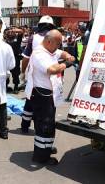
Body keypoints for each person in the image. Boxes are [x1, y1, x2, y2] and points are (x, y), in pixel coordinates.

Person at [27, 29, 74, 165]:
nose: (58, 47)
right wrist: (66, 64)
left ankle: (45, 148)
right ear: (49, 41)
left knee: (47, 123)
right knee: (45, 125)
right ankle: (41, 157)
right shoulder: (39, 54)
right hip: (41, 94)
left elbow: (61, 53)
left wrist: (68, 55)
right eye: (57, 44)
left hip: (48, 94)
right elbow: (52, 70)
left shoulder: (50, 50)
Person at [20, 15, 55, 133]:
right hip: (50, 76)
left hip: (34, 76)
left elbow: (25, 58)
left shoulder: (33, 38)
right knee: (46, 105)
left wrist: (23, 72)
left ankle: (25, 125)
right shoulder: (57, 39)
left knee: (30, 99)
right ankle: (41, 128)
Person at [4, 27, 24, 94]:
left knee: (15, 74)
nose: (10, 33)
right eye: (8, 33)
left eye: (11, 32)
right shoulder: (4, 42)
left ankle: (16, 87)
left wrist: (13, 30)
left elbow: (21, 32)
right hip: (6, 59)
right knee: (6, 74)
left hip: (15, 59)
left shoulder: (17, 41)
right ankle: (6, 87)